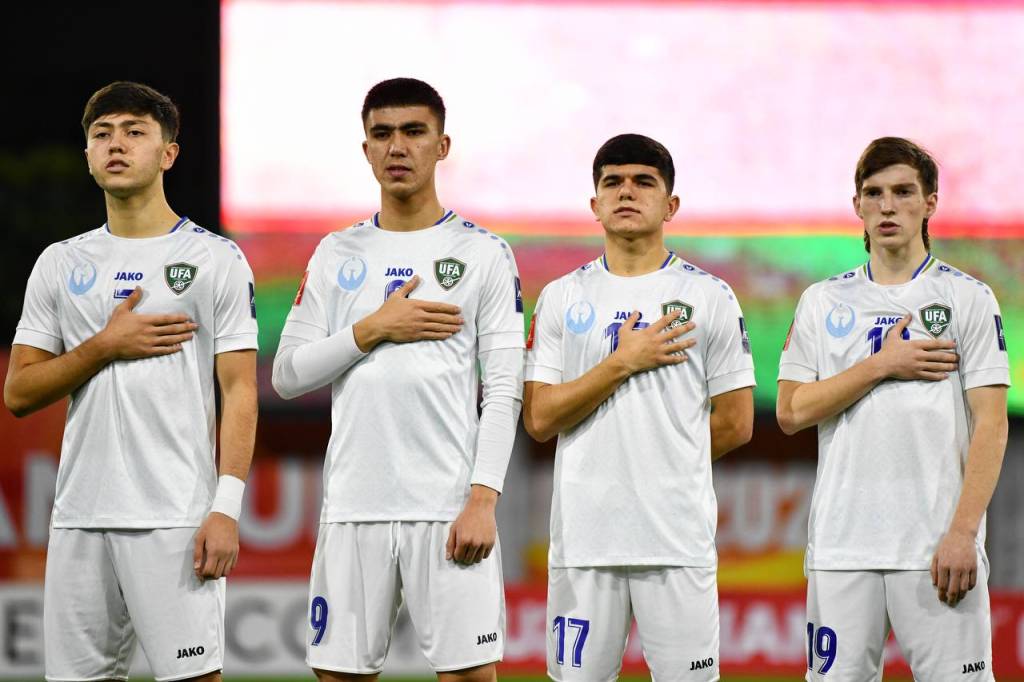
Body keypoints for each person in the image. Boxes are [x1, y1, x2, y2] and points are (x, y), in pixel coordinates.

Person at [3, 81, 258, 681]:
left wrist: (226, 509)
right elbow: (19, 392)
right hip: (79, 514)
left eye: (134, 132)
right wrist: (104, 345)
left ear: (168, 153)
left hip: (176, 515)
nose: (116, 144)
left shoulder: (215, 259)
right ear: (88, 155)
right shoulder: (60, 263)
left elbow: (241, 390)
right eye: (102, 134)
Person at [272, 77, 523, 681]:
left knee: (469, 675)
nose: (397, 147)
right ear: (366, 149)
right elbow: (286, 375)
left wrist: (482, 500)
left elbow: (504, 389)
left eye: (414, 132)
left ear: (442, 145)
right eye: (382, 134)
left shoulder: (484, 253)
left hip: (447, 506)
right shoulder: (337, 252)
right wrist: (371, 329)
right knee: (339, 676)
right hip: (353, 506)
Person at [522, 134, 755, 681]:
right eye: (613, 183)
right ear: (595, 204)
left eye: (643, 182)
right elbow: (539, 418)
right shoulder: (562, 297)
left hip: (676, 540)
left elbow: (736, 422)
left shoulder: (710, 296)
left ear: (671, 205)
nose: (626, 192)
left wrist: (664, 463)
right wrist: (622, 362)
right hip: (584, 541)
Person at [777, 137, 1009, 680]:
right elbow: (790, 411)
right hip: (841, 550)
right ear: (857, 205)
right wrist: (881, 364)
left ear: (930, 203)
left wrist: (963, 533)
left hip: (936, 549)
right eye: (874, 193)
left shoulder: (969, 298)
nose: (887, 206)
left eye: (903, 192)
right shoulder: (822, 301)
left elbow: (991, 425)